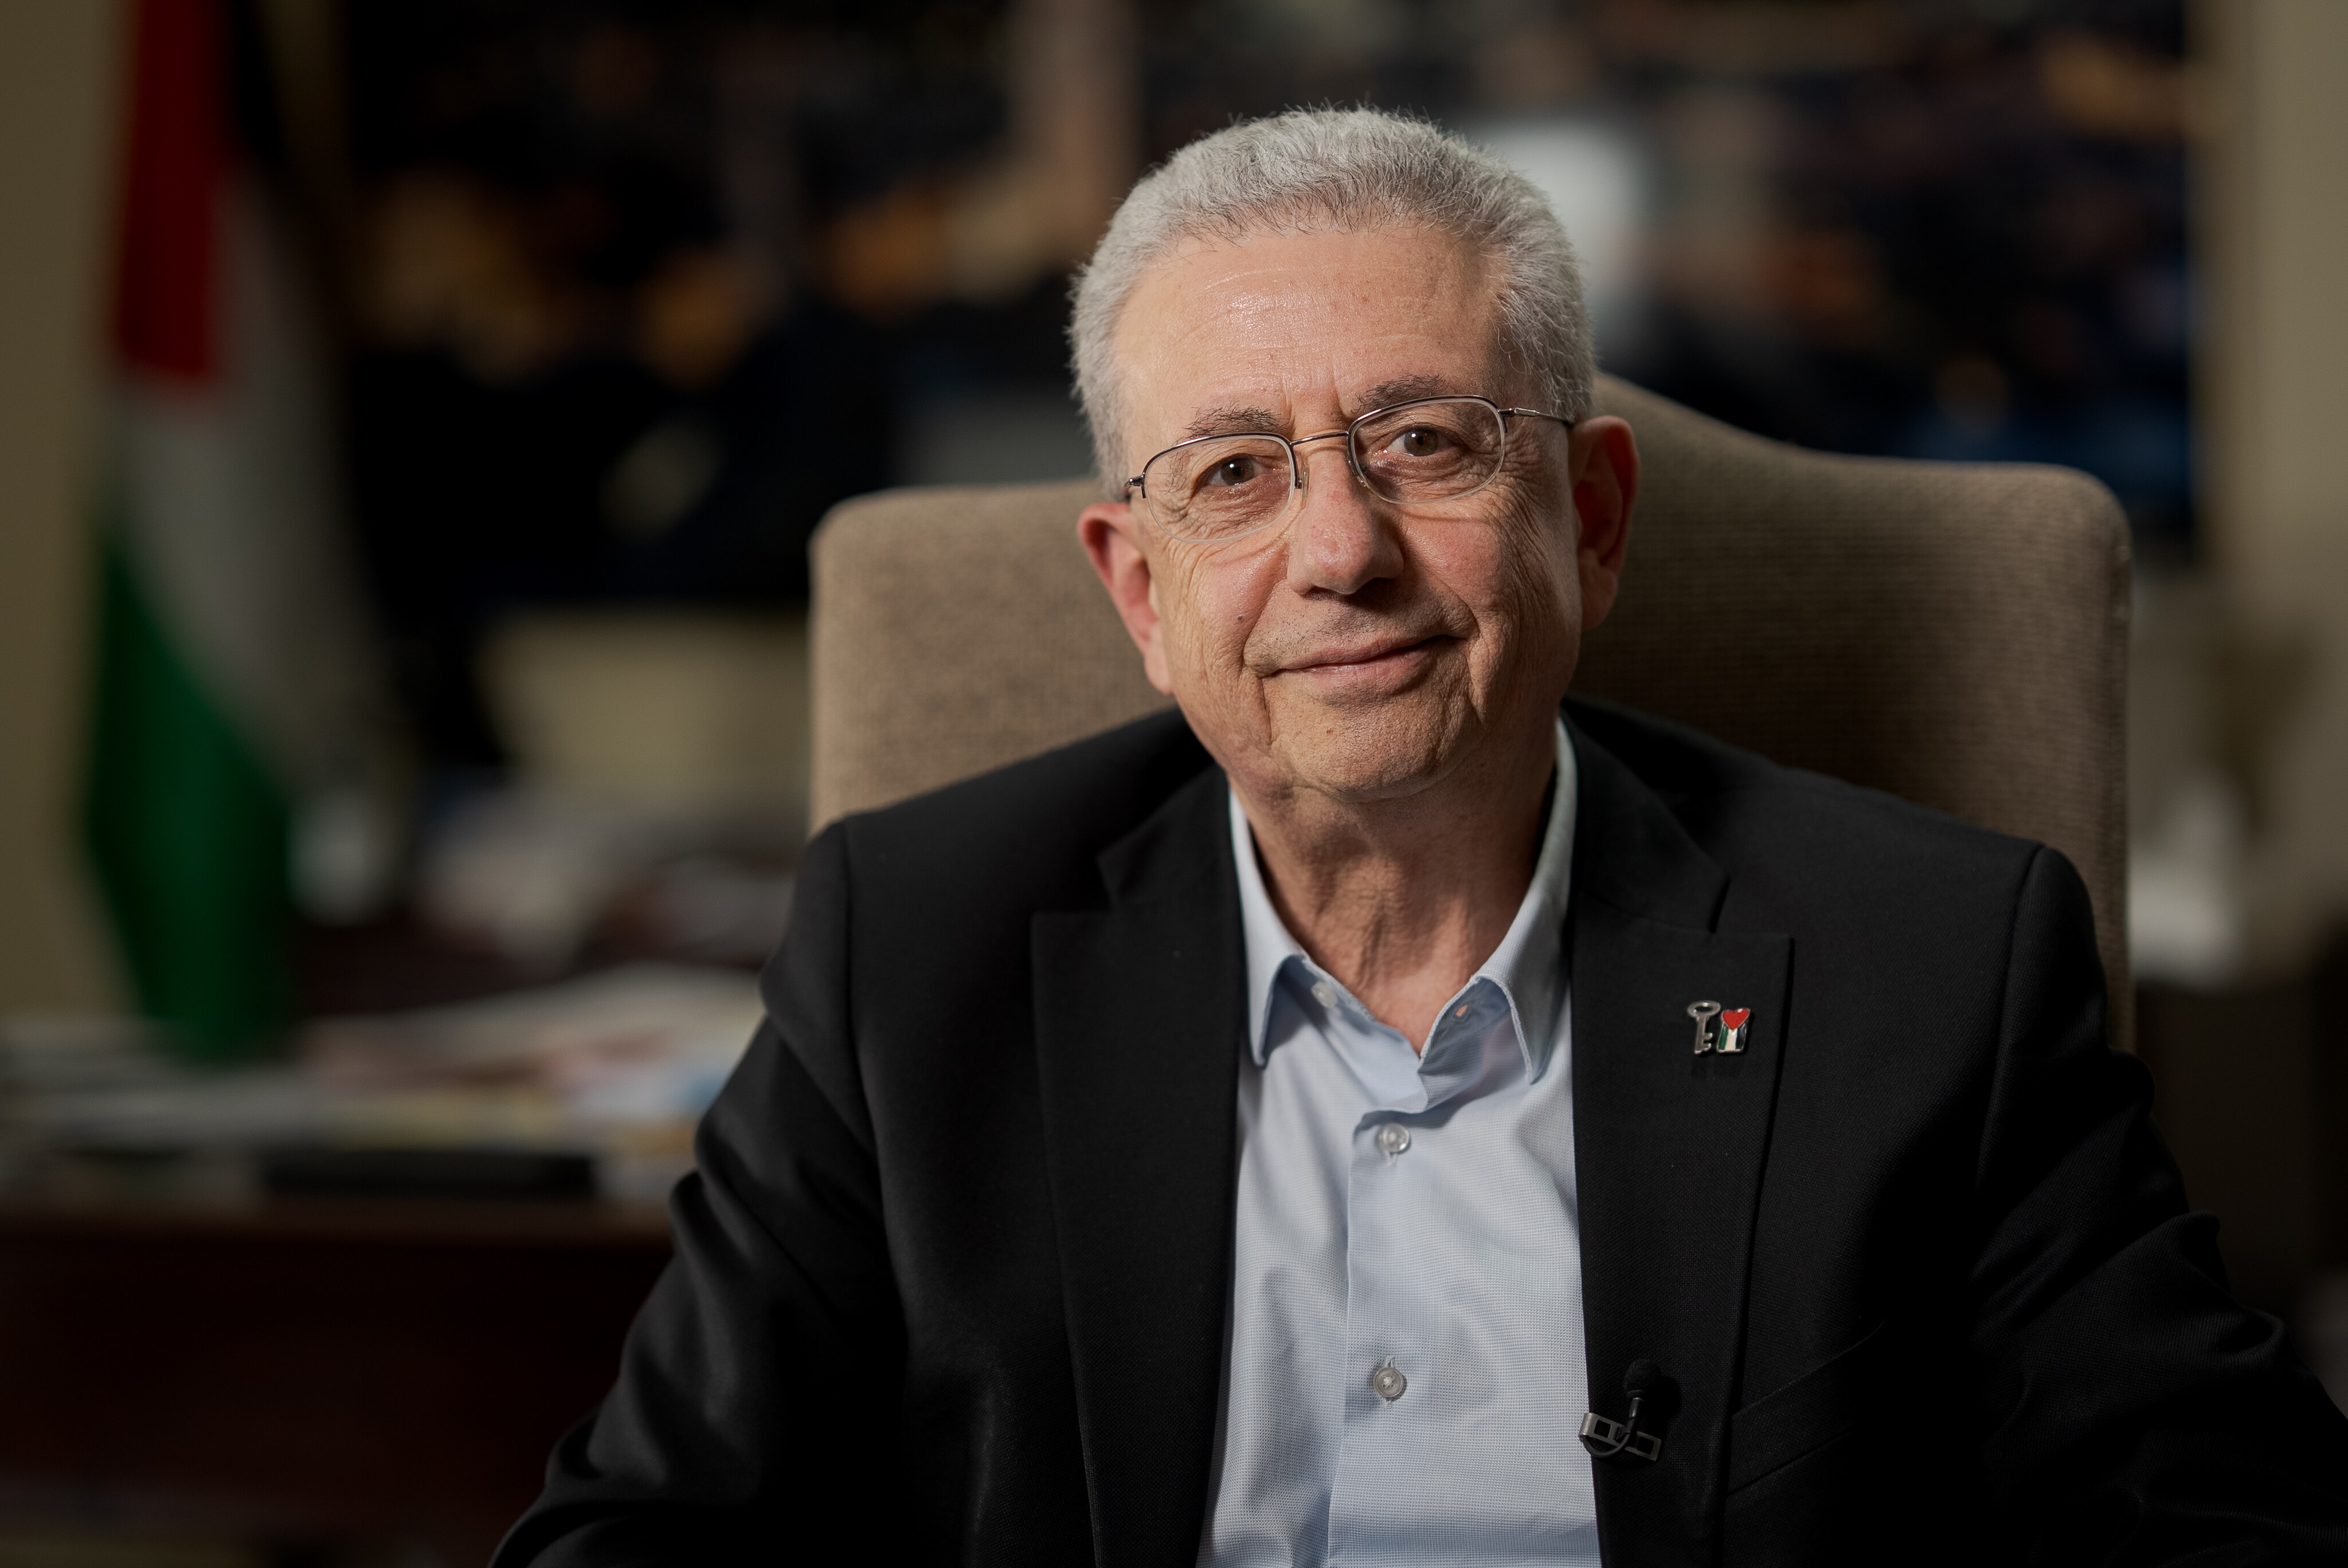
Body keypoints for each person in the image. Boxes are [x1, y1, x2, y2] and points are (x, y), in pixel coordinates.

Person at [495, 109, 2348, 1567]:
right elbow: (647, 1535)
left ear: (1593, 518)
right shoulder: (907, 952)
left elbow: (2223, 1526)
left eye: (1426, 443)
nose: (1338, 552)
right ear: (1140, 593)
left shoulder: (1932, 964)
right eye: (1234, 472)